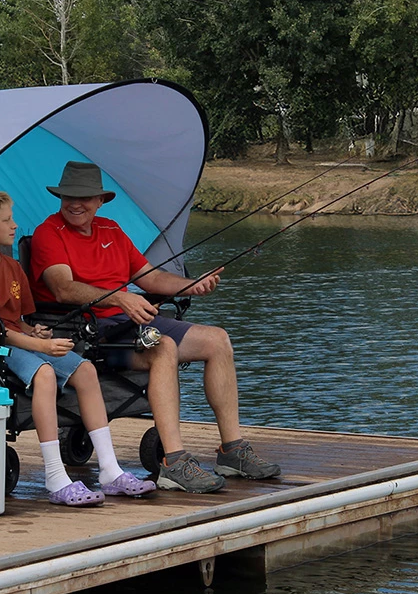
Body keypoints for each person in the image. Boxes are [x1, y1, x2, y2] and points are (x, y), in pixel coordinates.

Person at [28, 161, 281, 491]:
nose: (76, 204)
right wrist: (120, 298)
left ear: (100, 201)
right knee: (163, 347)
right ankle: (173, 462)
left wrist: (191, 285)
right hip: (88, 332)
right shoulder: (49, 233)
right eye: (69, 197)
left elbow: (150, 278)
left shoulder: (111, 230)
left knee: (217, 340)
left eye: (85, 197)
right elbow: (63, 288)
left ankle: (232, 451)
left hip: (131, 320)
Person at [0, 188, 161, 506]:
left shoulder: (12, 267)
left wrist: (35, 332)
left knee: (85, 370)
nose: (15, 225)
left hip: (20, 340)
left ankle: (110, 470)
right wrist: (41, 344)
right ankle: (55, 477)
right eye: (7, 220)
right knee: (44, 374)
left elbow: (19, 322)